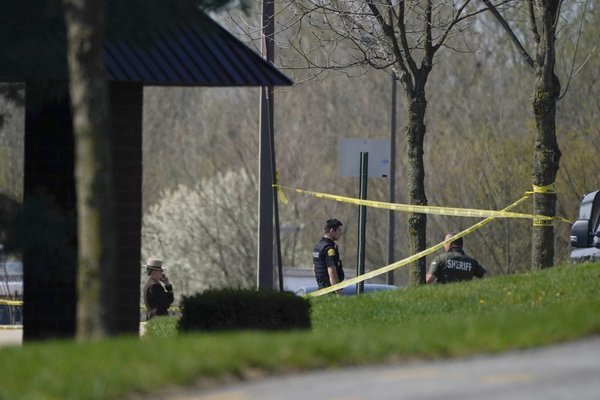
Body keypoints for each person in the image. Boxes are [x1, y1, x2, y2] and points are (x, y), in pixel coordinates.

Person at [312, 219, 345, 294]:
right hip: (329, 291)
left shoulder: (318, 247)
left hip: (321, 288)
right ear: (332, 231)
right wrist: (338, 293)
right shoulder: (329, 249)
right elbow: (332, 273)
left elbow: (314, 268)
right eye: (339, 230)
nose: (341, 233)